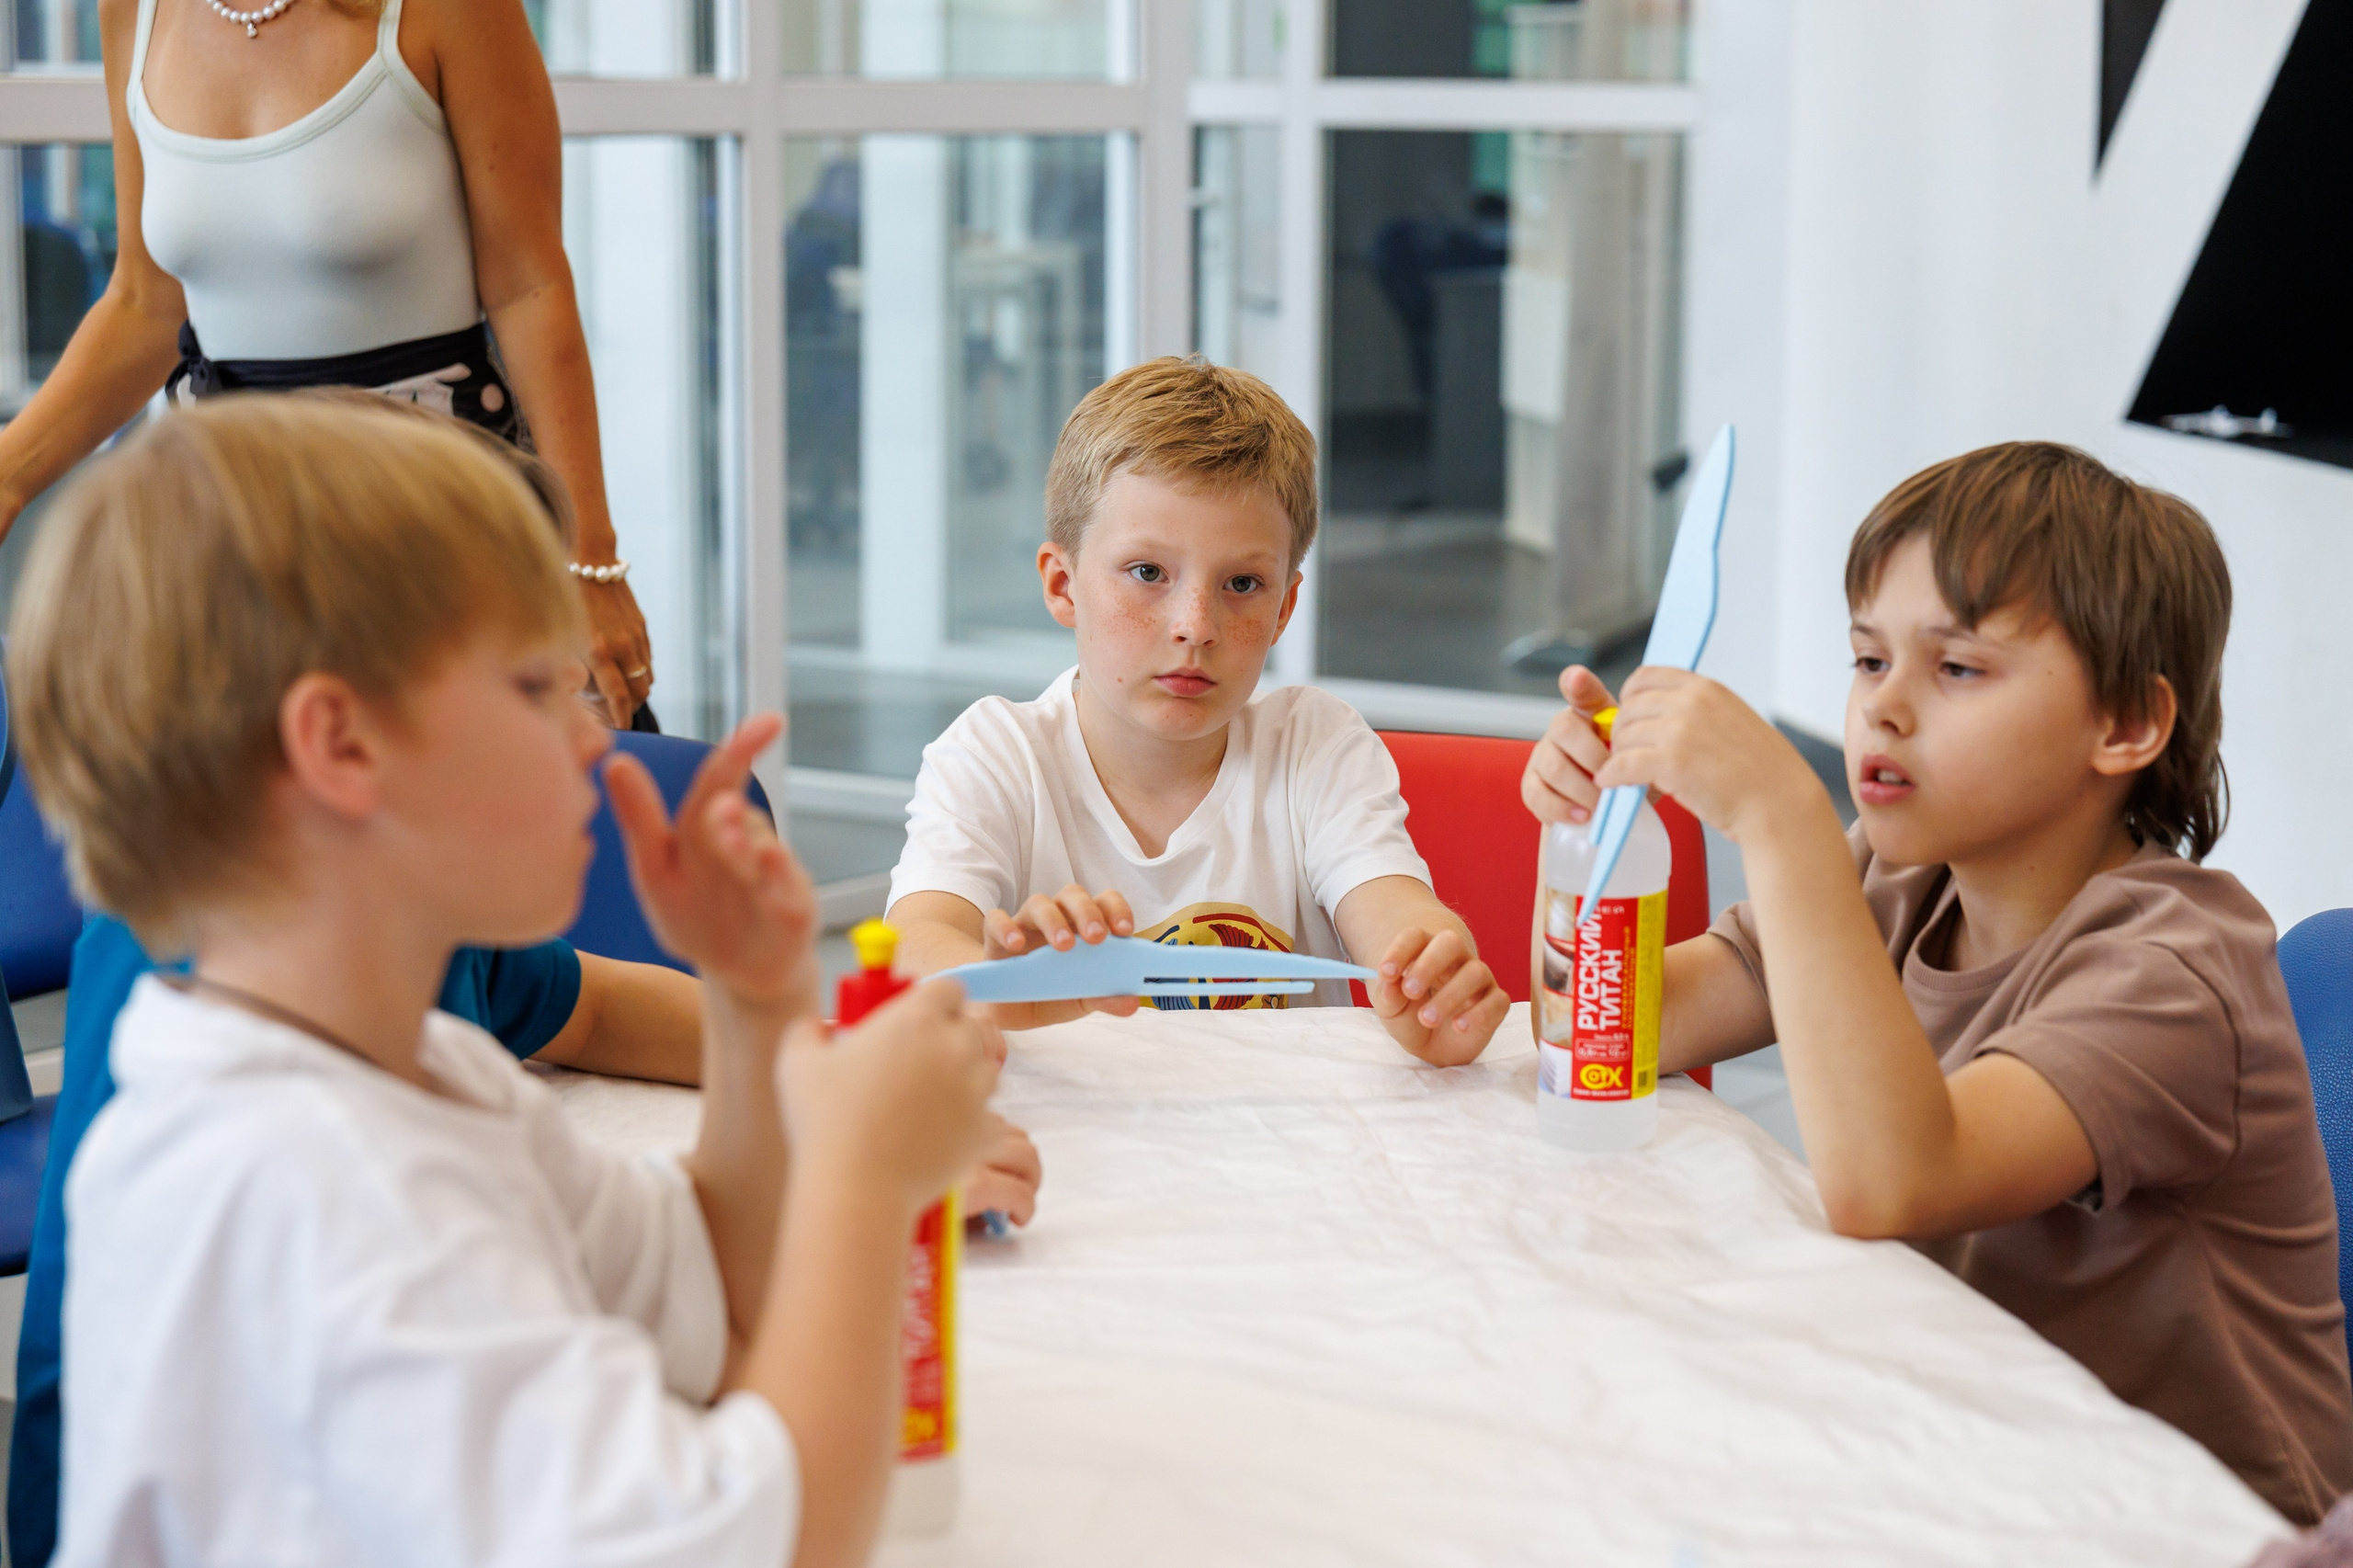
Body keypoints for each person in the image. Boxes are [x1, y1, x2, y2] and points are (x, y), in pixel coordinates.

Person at [2, 399, 1044, 1568]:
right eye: (538, 686)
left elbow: (718, 1285)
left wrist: (755, 1005)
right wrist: (863, 1179)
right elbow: (775, 1542)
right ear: (343, 746)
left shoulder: (411, 1063)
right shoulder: (316, 1184)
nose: (599, 741)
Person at [1520, 441, 2353, 1523]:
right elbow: (1617, 1029)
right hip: (1977, 1458)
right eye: (1868, 660)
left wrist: (1780, 817)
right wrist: (1598, 847)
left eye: (1955, 668)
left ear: (2127, 725)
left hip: (2192, 1528)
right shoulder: (1893, 870)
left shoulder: (2174, 970)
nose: (1885, 708)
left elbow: (1893, 1182)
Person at [0, 0, 655, 725]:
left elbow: (529, 286)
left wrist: (588, 559)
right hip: (229, 542)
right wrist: (8, 475)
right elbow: (147, 303)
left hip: (436, 532)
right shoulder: (135, 12)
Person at [887, 356, 1511, 1064]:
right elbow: (914, 947)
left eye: (1243, 583)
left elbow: (1394, 912)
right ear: (1063, 585)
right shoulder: (994, 754)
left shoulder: (1316, 743)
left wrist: (1431, 976)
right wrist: (992, 982)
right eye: (1148, 573)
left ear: (1285, 609)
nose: (1196, 625)